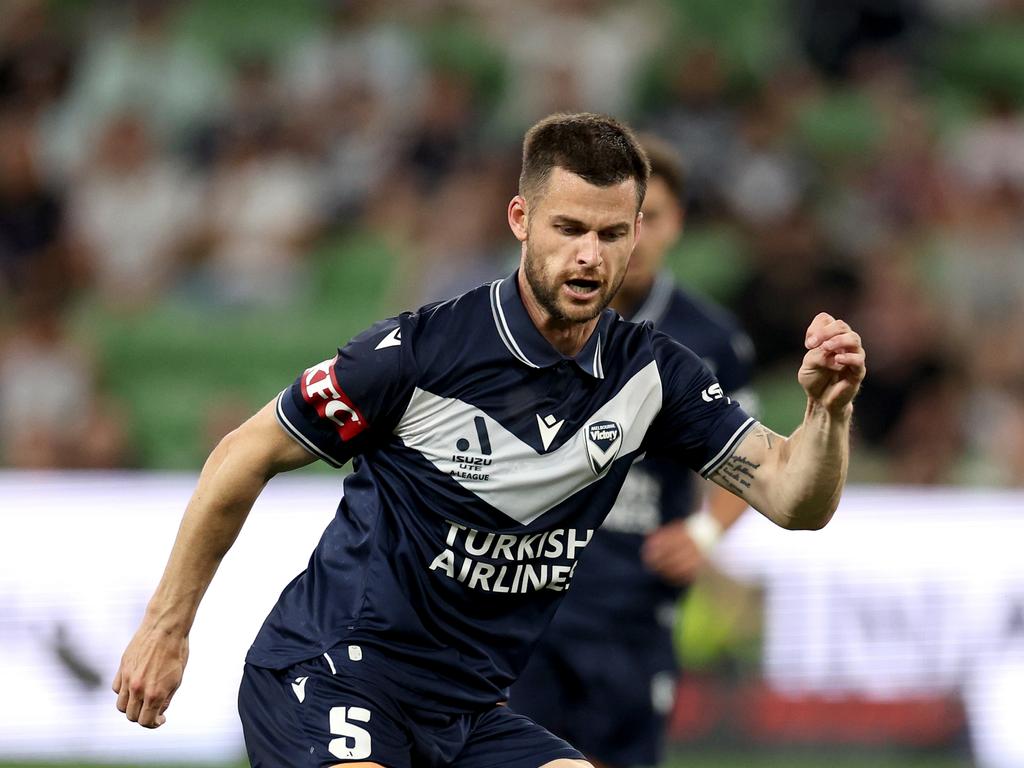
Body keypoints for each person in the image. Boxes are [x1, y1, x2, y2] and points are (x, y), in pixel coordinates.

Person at [114, 113, 866, 768]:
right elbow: (244, 453)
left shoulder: (654, 376)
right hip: (333, 674)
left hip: (466, 713)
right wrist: (166, 628)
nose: (588, 256)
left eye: (610, 234)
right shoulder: (417, 353)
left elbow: (795, 500)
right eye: (568, 228)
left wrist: (827, 414)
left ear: (637, 235)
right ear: (521, 220)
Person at [509, 135, 756, 768]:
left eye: (651, 220)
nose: (635, 237)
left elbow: (747, 460)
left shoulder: (709, 339)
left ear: (676, 226)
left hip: (633, 600)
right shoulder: (525, 316)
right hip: (524, 596)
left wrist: (702, 534)